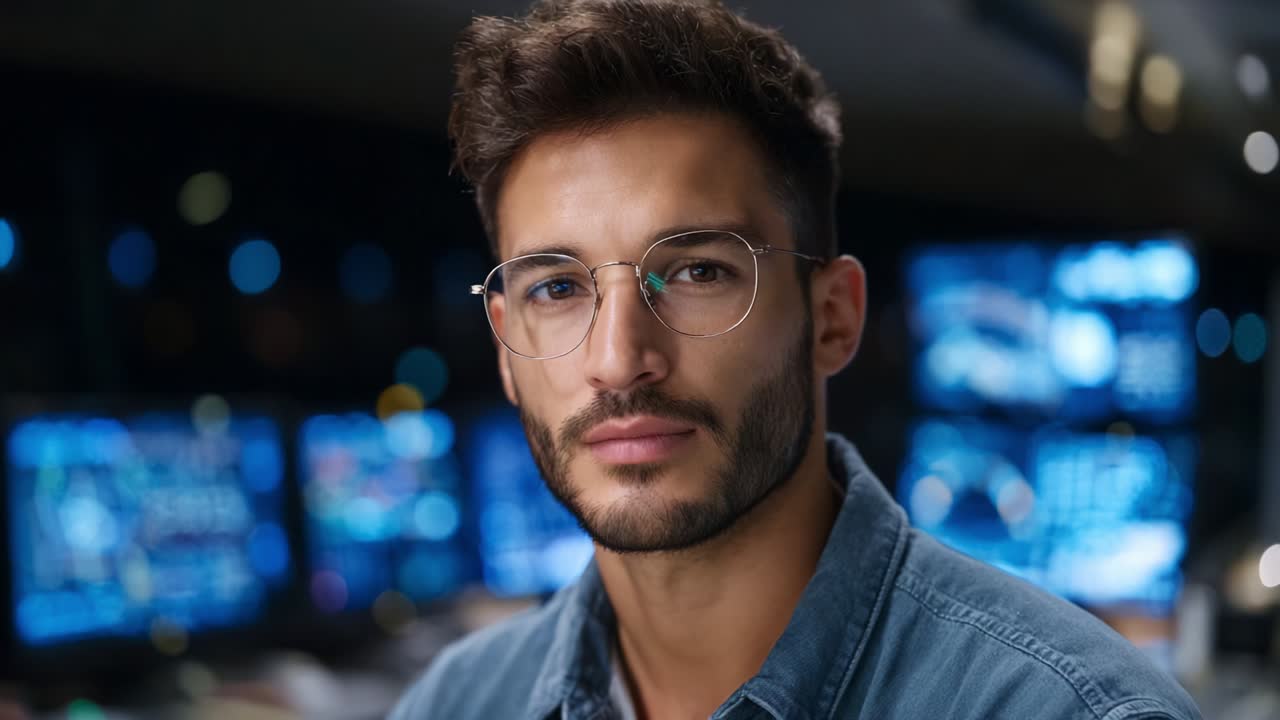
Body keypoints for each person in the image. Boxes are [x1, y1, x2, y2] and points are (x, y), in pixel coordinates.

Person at [391, 1, 1203, 718]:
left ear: (833, 318)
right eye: (558, 289)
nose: (618, 359)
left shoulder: (1069, 709)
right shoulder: (454, 703)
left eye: (698, 272)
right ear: (506, 341)